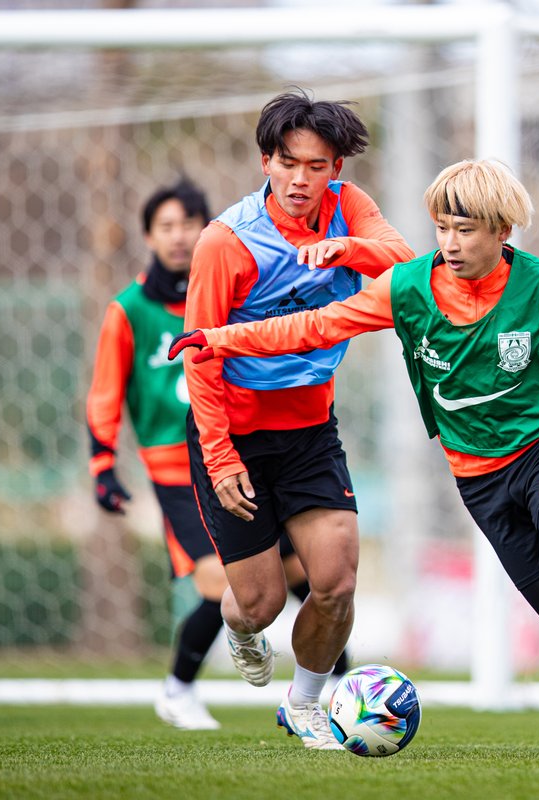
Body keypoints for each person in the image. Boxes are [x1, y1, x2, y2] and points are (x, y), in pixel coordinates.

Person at [171, 158, 539, 759]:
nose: (450, 243)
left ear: (502, 231)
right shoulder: (407, 288)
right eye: (442, 228)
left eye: (466, 229)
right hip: (478, 477)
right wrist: (218, 338)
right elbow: (314, 328)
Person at [182, 90, 413, 749]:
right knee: (259, 603)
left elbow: (401, 262)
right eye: (288, 164)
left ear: (336, 168)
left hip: (311, 432)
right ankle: (240, 627)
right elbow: (200, 354)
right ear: (266, 161)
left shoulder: (349, 209)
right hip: (235, 435)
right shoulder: (226, 242)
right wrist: (221, 454)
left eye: (317, 166)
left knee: (336, 580)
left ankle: (306, 703)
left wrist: (346, 251)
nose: (301, 180)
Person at [86, 178, 345, 731]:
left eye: (189, 225)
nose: (179, 238)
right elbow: (105, 390)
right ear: (149, 236)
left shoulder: (232, 290)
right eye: (166, 227)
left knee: (305, 572)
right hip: (180, 467)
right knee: (217, 582)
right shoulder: (129, 309)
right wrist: (101, 463)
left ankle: (335, 682)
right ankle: (177, 688)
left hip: (253, 452)